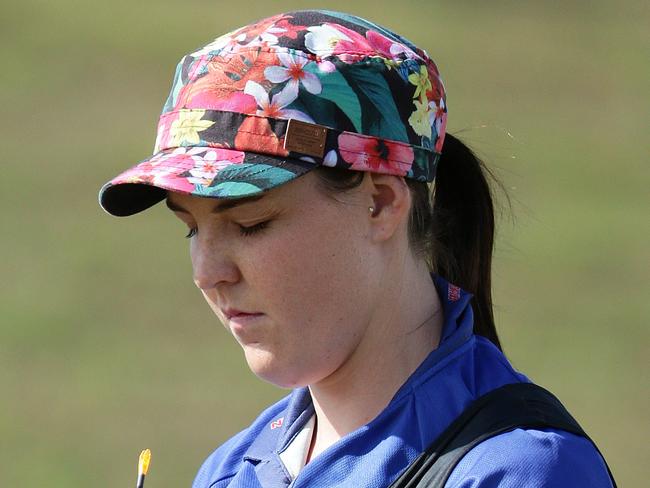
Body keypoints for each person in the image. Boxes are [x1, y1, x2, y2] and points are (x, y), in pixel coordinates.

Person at [99, 10, 615, 487]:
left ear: (381, 204)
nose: (207, 273)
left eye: (251, 223)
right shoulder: (232, 472)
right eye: (191, 228)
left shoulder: (519, 471)